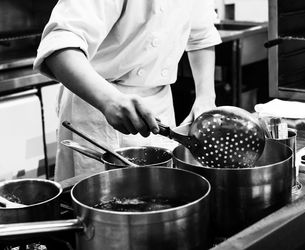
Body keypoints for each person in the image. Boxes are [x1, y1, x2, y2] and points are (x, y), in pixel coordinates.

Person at [34, 0, 222, 181]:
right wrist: (109, 101)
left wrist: (206, 97)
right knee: (101, 203)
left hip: (159, 104)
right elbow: (59, 46)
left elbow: (201, 36)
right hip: (99, 103)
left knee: (160, 196)